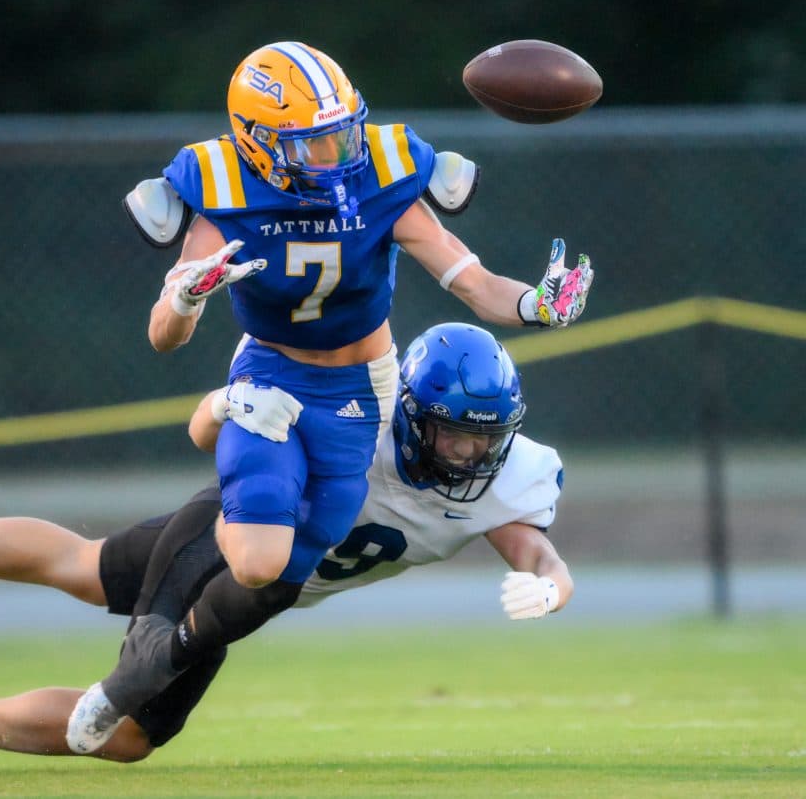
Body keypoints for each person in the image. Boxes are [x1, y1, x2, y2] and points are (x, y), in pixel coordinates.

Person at [107, 40, 593, 735]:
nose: (336, 154)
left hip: (362, 384)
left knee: (275, 560)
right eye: (311, 142)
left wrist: (535, 305)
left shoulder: (382, 172)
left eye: (341, 133)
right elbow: (163, 335)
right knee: (185, 560)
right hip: (272, 372)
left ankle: (162, 634)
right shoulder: (220, 183)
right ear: (256, 142)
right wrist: (185, 298)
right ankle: (161, 605)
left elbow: (477, 283)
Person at [0, 323, 574, 773]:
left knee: (84, 566)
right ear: (409, 414)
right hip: (233, 543)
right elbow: (211, 429)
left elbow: (538, 555)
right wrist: (225, 402)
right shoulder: (358, 410)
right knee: (130, 734)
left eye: (486, 438)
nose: (471, 454)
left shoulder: (511, 476)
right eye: (454, 434)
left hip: (261, 577)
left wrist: (551, 586)